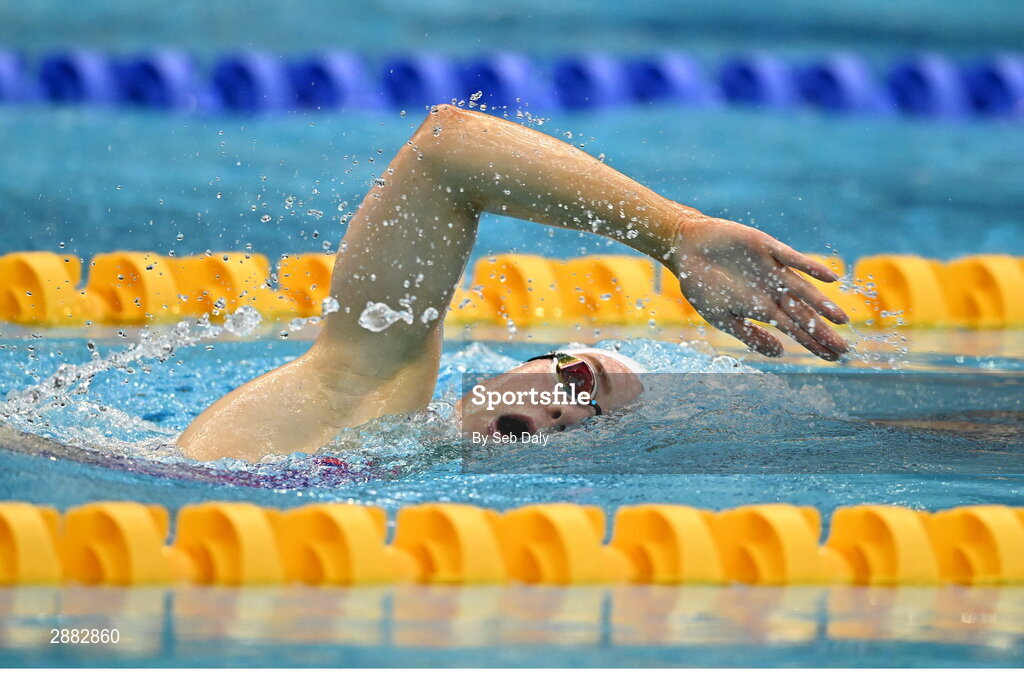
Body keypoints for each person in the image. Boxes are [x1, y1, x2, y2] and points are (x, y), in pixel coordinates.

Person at [178, 104, 850, 462]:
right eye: (577, 381)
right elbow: (447, 149)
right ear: (504, 374)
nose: (566, 412)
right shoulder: (354, 388)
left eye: (589, 423)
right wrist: (674, 233)